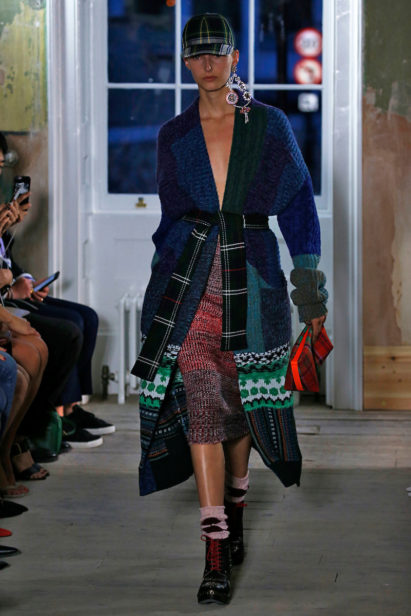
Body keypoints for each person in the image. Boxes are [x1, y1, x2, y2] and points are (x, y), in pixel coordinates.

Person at [132, 13, 328, 605]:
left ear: (235, 57)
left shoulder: (268, 125)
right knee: (202, 406)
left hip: (256, 286)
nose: (208, 62)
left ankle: (236, 508)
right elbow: (169, 221)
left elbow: (299, 207)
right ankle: (215, 549)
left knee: (240, 406)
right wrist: (160, 293)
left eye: (217, 52)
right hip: (189, 287)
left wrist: (309, 294)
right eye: (197, 54)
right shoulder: (173, 134)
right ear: (186, 62)